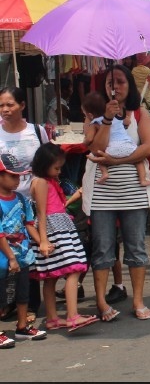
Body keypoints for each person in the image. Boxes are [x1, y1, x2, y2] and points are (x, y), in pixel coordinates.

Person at [81, 63, 150, 321]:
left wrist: (118, 162)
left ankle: (137, 300)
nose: (115, 87)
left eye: (120, 82)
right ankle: (101, 303)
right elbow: (95, 148)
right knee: (103, 248)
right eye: (110, 83)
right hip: (102, 193)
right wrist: (107, 118)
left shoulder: (139, 114)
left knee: (136, 247)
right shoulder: (94, 116)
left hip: (134, 191)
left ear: (130, 85)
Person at [29, 143, 97, 332]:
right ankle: (73, 315)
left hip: (57, 228)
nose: (59, 172)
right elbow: (41, 213)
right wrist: (43, 240)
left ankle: (52, 319)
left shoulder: (46, 181)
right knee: (74, 268)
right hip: (54, 230)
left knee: (51, 277)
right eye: (56, 168)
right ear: (44, 165)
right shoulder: (41, 182)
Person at [0, 87, 47, 325]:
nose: (6, 110)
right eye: (2, 106)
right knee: (4, 257)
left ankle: (29, 306)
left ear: (22, 105)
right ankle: (7, 305)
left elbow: (47, 164)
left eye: (10, 105)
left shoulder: (36, 132)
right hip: (3, 206)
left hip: (31, 203)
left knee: (28, 256)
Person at [0, 153, 46, 346]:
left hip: (23, 254)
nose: (18, 180)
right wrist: (10, 258)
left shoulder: (20, 198)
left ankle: (22, 327)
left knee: (23, 292)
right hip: (3, 257)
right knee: (1, 295)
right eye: (13, 176)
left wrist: (42, 242)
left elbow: (28, 223)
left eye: (19, 176)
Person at [81, 92, 150, 187]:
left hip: (111, 150)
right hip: (128, 146)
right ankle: (142, 179)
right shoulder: (116, 116)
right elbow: (128, 121)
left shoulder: (95, 122)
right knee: (139, 160)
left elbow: (89, 138)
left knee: (98, 156)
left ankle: (105, 173)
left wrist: (84, 143)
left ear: (90, 115)